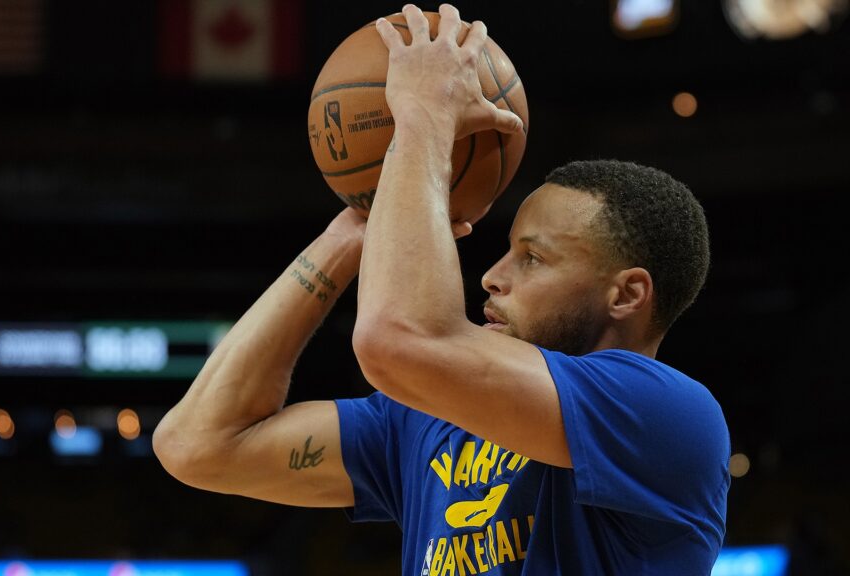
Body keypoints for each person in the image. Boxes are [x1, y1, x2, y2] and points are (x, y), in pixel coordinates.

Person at [153, 4, 730, 574]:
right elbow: (197, 445)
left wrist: (424, 115)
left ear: (626, 295)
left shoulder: (665, 414)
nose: (491, 275)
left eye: (532, 258)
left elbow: (397, 340)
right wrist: (347, 234)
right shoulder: (425, 419)